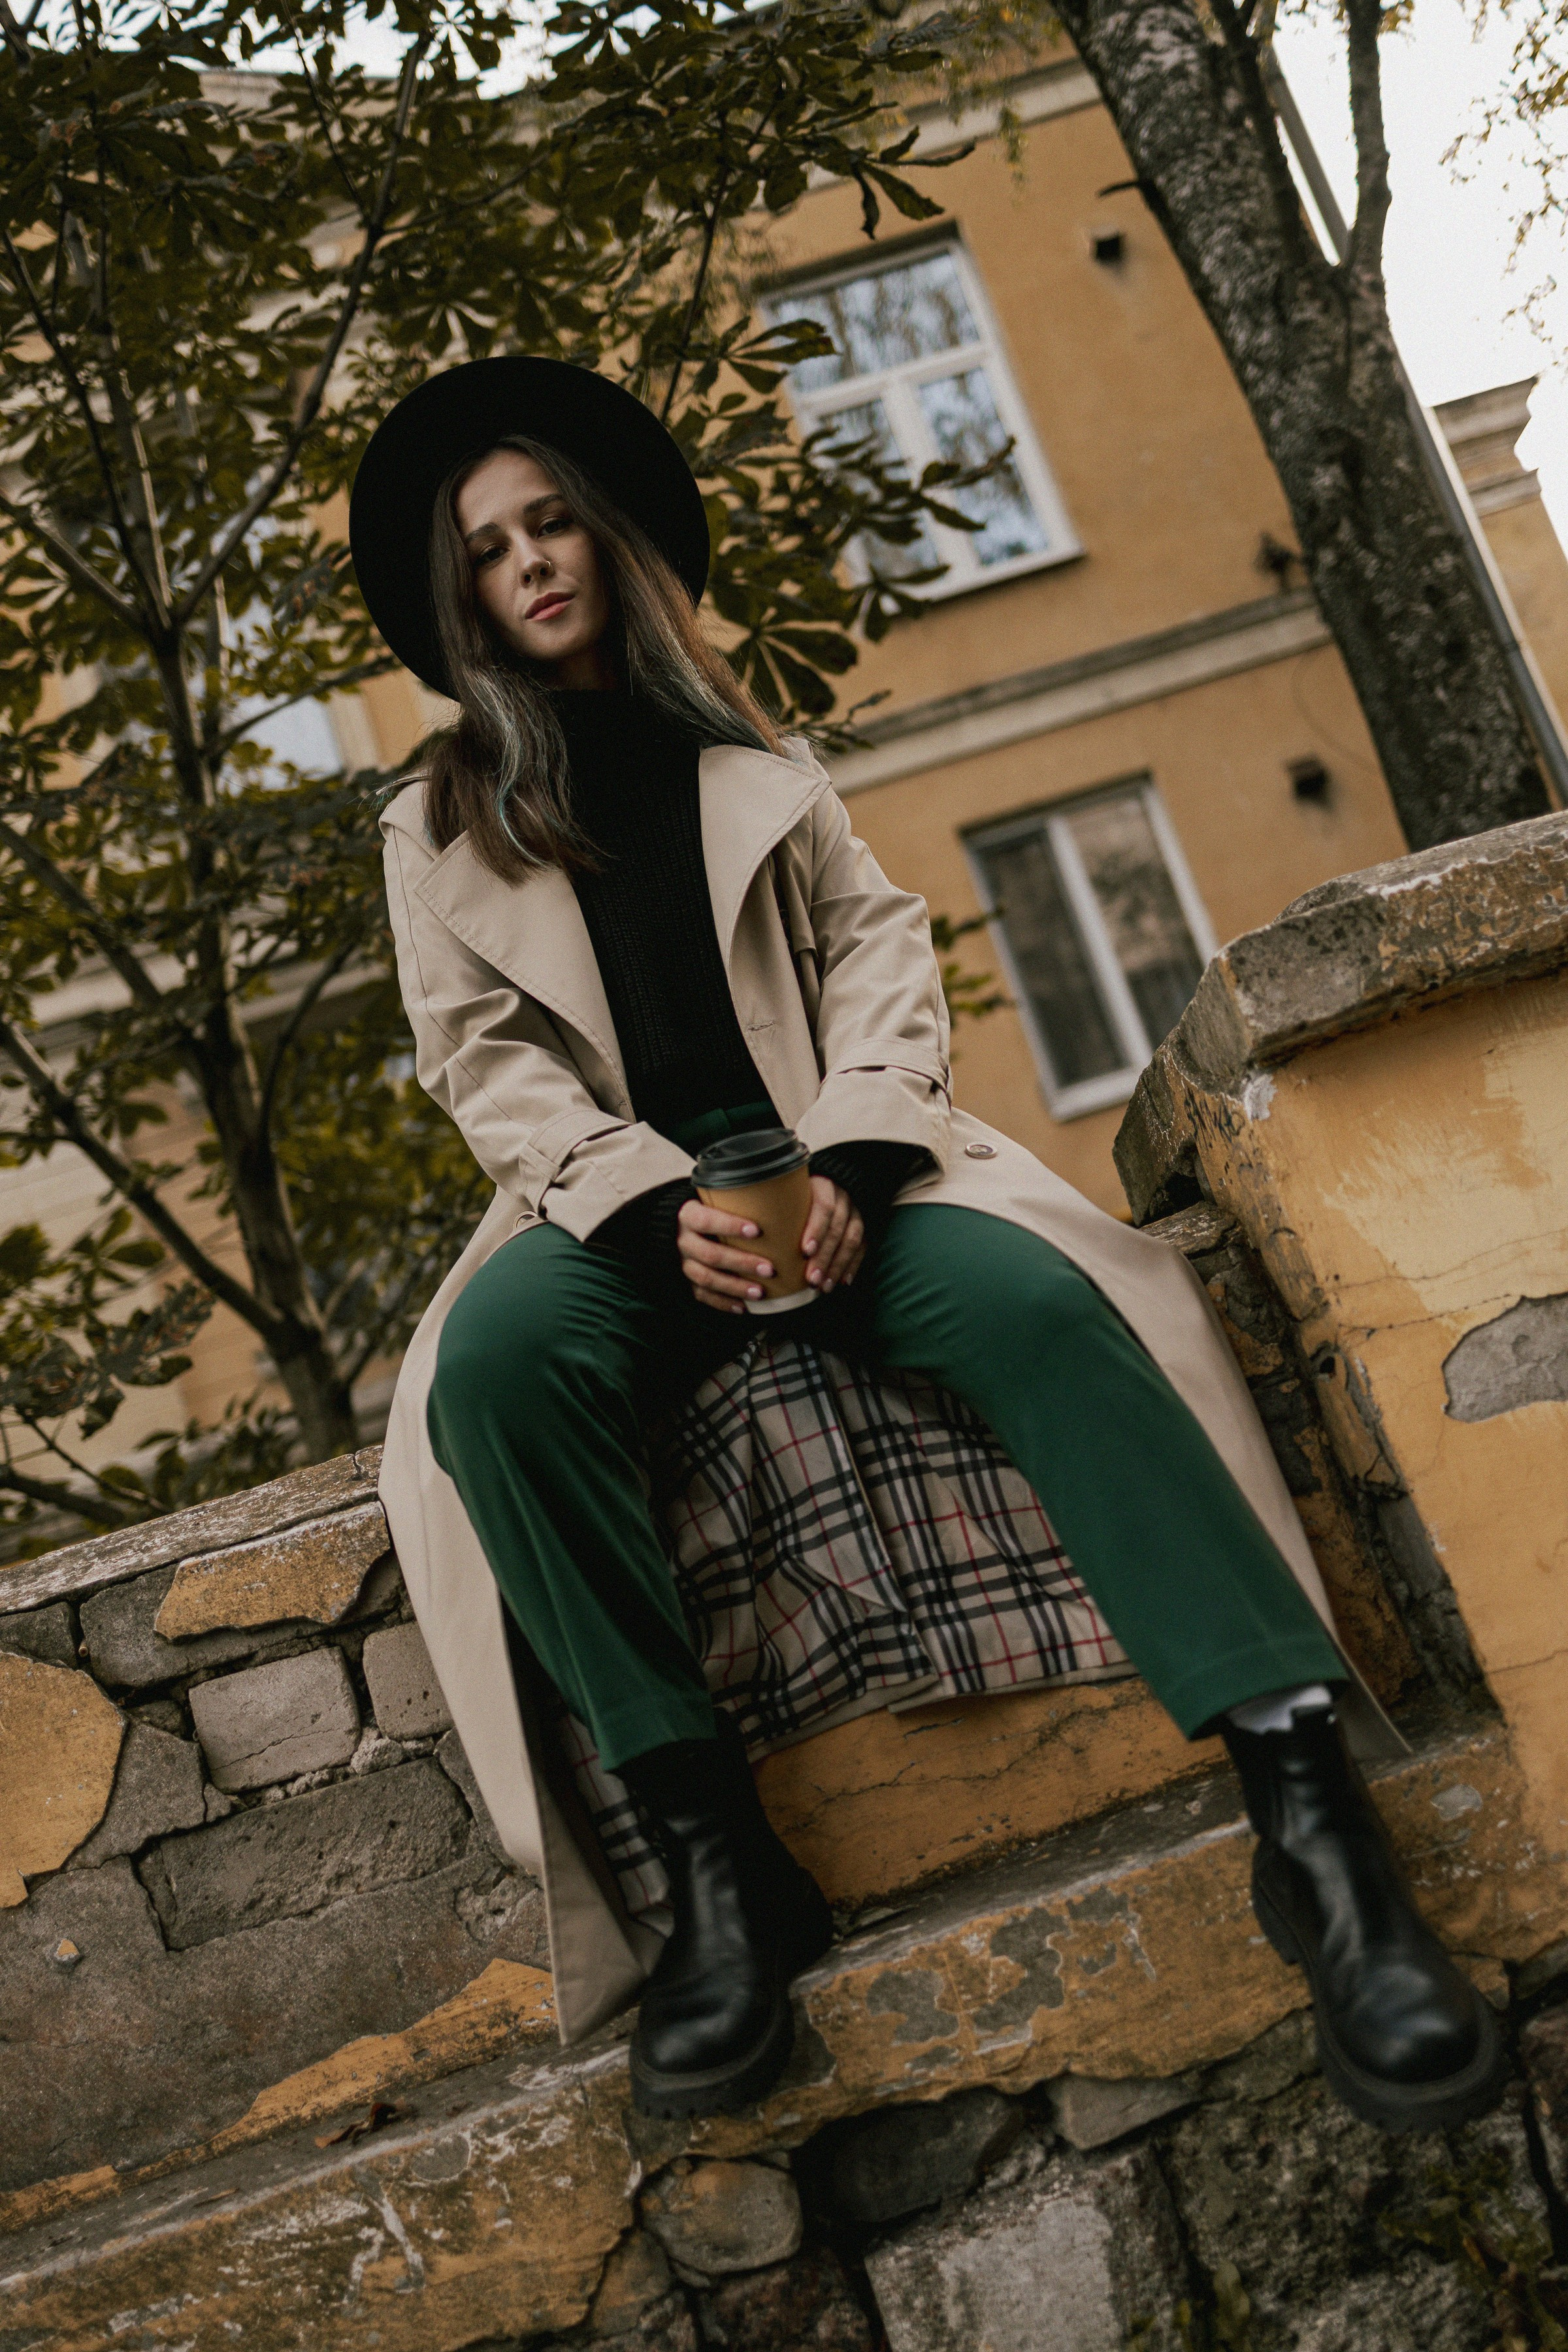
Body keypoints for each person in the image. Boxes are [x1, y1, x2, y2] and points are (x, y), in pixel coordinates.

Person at [351, 357, 1505, 2131]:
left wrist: (858, 1157)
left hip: (837, 1165)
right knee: (495, 1376)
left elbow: (884, 958)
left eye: (553, 523)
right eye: (491, 550)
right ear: (467, 601)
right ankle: (720, 1869)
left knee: (1045, 1300)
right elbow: (481, 1063)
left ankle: (1314, 1824)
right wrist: (650, 1211)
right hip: (611, 1205)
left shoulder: (758, 766)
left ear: (607, 540)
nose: (532, 564)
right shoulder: (439, 823)